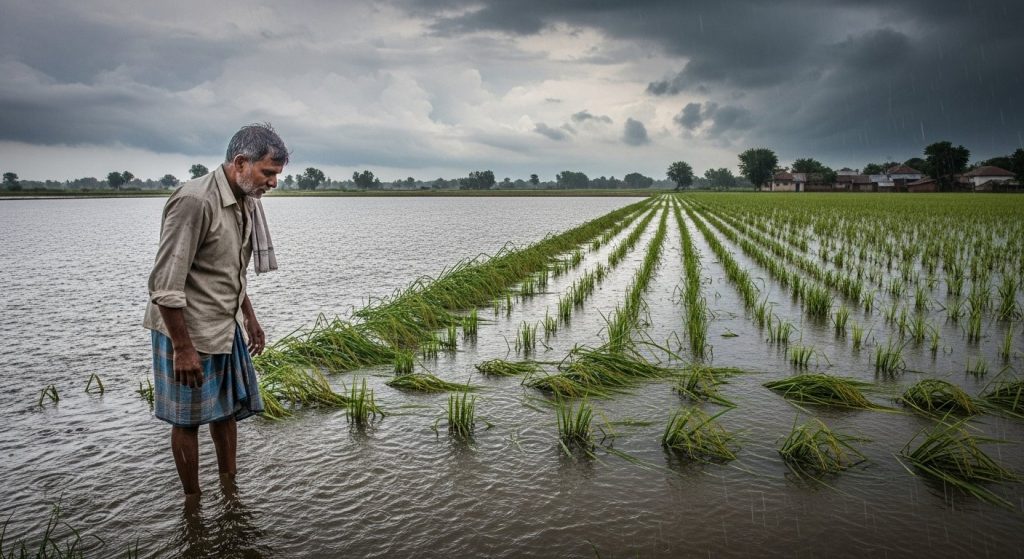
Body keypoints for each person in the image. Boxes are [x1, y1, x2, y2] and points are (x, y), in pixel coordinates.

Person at [144, 123, 288, 499]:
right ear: (241, 163)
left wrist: (250, 318)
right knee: (186, 420)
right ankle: (193, 500)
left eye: (276, 175)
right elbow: (164, 284)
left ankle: (230, 488)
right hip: (187, 330)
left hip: (225, 324)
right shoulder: (194, 201)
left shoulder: (246, 202)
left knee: (226, 412)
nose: (273, 183)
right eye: (268, 173)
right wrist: (183, 348)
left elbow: (229, 271)